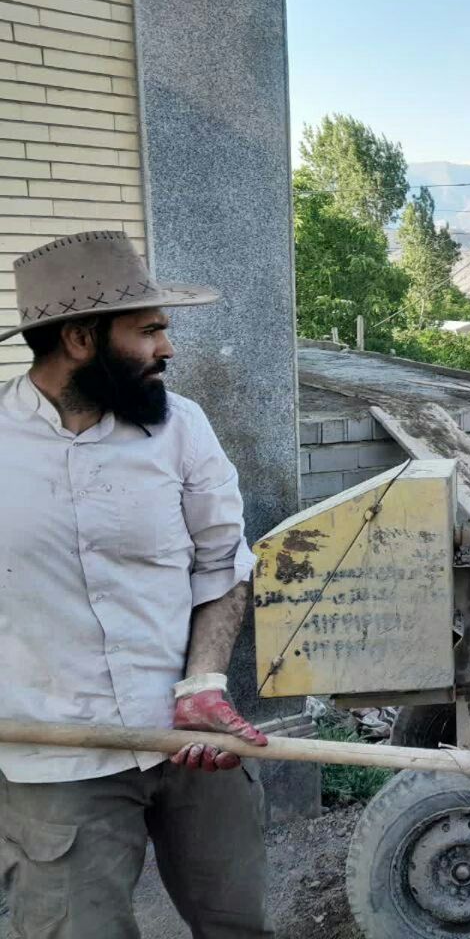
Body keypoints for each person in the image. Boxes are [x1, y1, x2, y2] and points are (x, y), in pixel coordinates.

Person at [0, 232, 274, 938]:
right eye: (149, 330)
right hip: (57, 763)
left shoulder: (183, 429)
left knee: (238, 927)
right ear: (81, 338)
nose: (168, 349)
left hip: (191, 744)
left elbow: (222, 564)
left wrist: (203, 685)